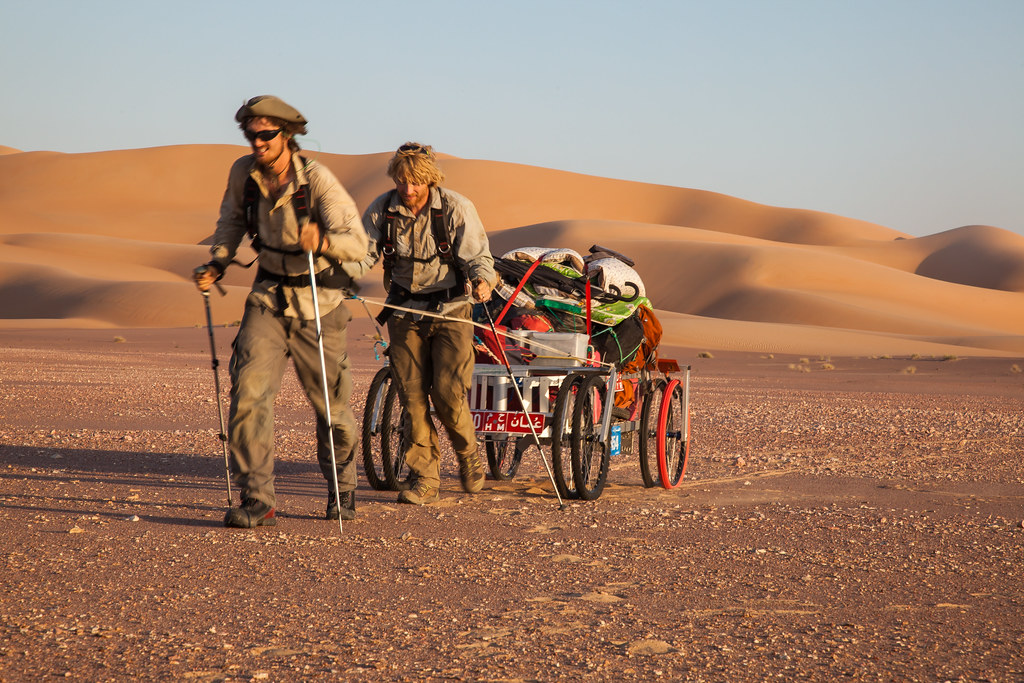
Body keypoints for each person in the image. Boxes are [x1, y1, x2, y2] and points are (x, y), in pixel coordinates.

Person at [193, 95, 368, 527]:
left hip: (320, 303)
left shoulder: (318, 180)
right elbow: (231, 221)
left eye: (267, 135)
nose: (258, 143)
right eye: (251, 135)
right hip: (268, 296)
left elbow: (358, 243)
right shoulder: (244, 174)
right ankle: (258, 499)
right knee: (247, 396)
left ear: (287, 136)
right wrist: (217, 260)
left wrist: (323, 243)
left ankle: (342, 487)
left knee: (332, 409)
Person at [361, 142, 497, 505]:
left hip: (451, 312)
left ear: (430, 180)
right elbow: (361, 255)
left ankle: (468, 455)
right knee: (412, 399)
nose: (408, 189)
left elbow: (478, 257)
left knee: (449, 396)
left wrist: (483, 281)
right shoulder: (382, 211)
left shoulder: (455, 207)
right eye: (402, 181)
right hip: (404, 314)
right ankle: (425, 478)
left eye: (416, 182)